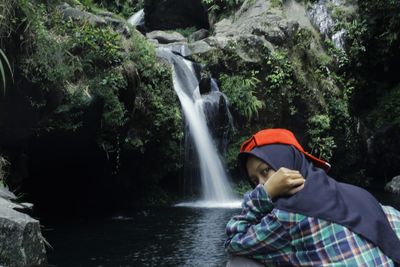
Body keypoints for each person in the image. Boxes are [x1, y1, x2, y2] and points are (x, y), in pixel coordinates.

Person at [225, 128, 400, 266]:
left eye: (265, 171)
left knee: (239, 261)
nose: (262, 184)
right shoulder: (360, 195)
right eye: (255, 181)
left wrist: (264, 195)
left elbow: (234, 241)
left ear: (286, 162)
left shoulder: (287, 214)